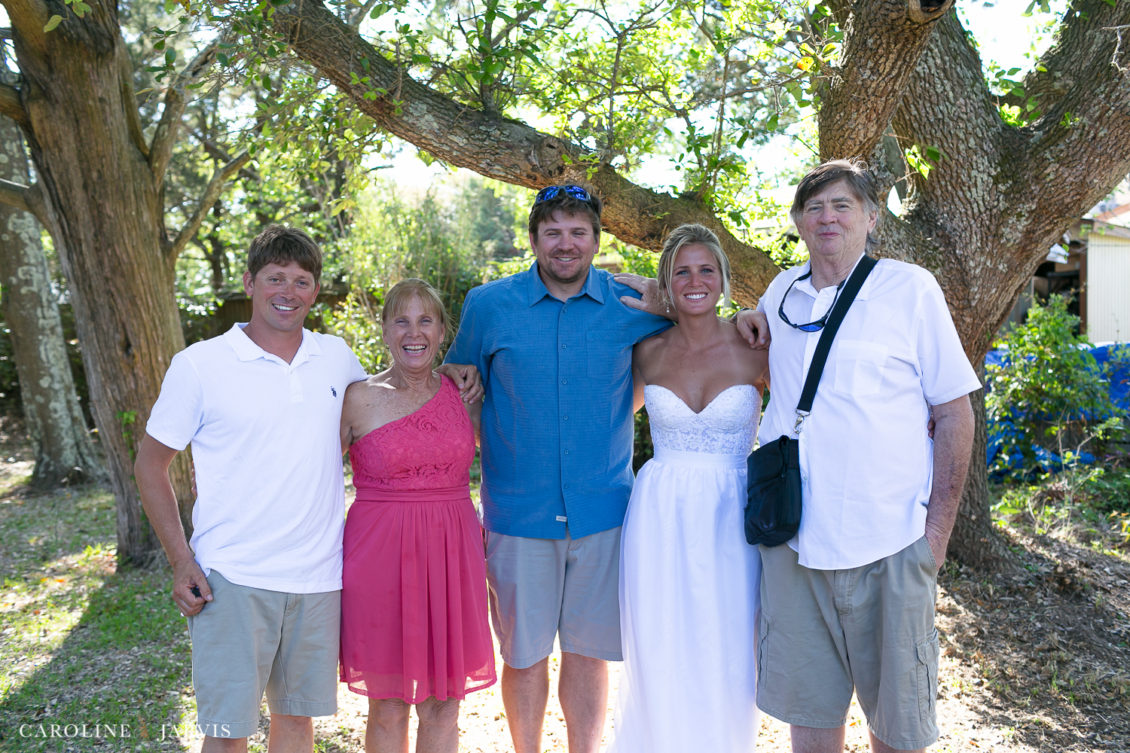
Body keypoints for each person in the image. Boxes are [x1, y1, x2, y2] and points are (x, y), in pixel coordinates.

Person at [445, 184, 768, 753]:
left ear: (597, 240)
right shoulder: (488, 305)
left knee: (589, 651)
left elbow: (691, 308)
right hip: (519, 510)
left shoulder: (631, 307)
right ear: (533, 240)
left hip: (605, 511)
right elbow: (458, 384)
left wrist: (748, 313)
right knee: (523, 655)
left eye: (578, 233)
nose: (565, 245)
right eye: (553, 233)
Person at [134, 226, 480, 753]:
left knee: (296, 726)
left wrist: (449, 371)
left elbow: (398, 407)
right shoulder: (200, 365)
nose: (287, 291)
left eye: (301, 281)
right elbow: (150, 464)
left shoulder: (336, 359)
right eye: (275, 278)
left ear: (315, 291)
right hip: (234, 575)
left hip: (319, 576)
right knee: (229, 732)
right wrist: (182, 560)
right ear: (250, 281)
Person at [754, 159, 979, 753]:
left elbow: (955, 411)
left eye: (842, 205)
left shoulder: (910, 288)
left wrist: (936, 536)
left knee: (899, 730)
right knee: (809, 716)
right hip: (796, 543)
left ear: (871, 217)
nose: (827, 217)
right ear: (798, 221)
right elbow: (738, 350)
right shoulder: (780, 292)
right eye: (815, 207)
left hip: (891, 541)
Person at [609, 224, 769, 753]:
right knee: (661, 640)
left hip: (734, 511)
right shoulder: (647, 352)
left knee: (729, 645)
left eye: (706, 270)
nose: (695, 280)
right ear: (667, 283)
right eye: (682, 271)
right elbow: (606, 419)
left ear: (724, 280)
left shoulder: (757, 346)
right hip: (660, 512)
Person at [338, 279, 496, 753]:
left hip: (452, 556)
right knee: (387, 704)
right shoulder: (356, 398)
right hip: (379, 559)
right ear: (385, 331)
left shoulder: (463, 392)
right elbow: (310, 477)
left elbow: (508, 457)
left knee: (444, 703)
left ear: (443, 330)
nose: (414, 332)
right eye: (401, 321)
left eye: (425, 320)